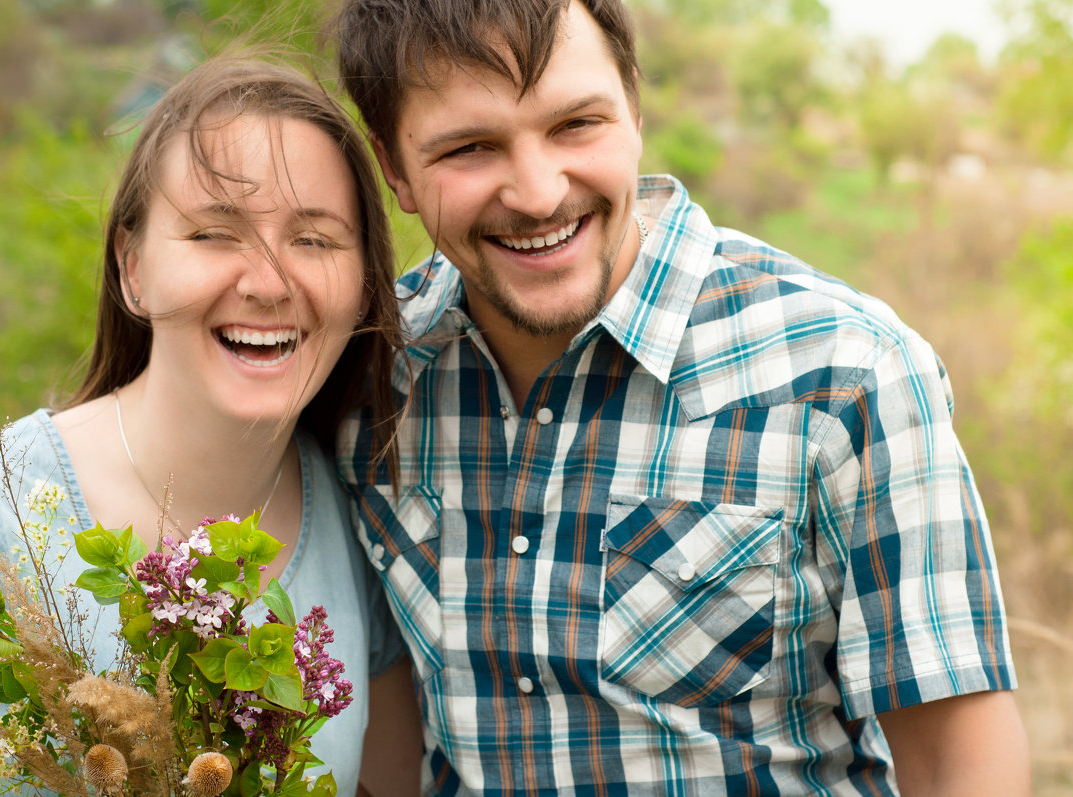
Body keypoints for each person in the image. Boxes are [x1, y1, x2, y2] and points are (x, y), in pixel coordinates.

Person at [329, 0, 1031, 793]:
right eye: (470, 147)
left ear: (633, 105)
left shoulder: (847, 373)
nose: (536, 191)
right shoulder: (365, 381)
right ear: (394, 169)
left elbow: (957, 756)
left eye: (576, 125)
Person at [0, 53, 420, 796]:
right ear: (133, 267)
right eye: (213, 234)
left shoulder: (367, 525)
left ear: (363, 286)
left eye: (315, 239)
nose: (266, 281)